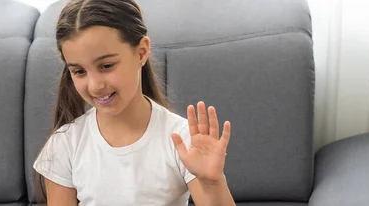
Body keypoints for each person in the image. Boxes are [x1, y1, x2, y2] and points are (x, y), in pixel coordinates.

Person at [33, 0, 236, 205]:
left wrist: (212, 183)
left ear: (141, 53)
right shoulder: (65, 144)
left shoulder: (181, 140)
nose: (95, 86)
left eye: (106, 65)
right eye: (79, 71)